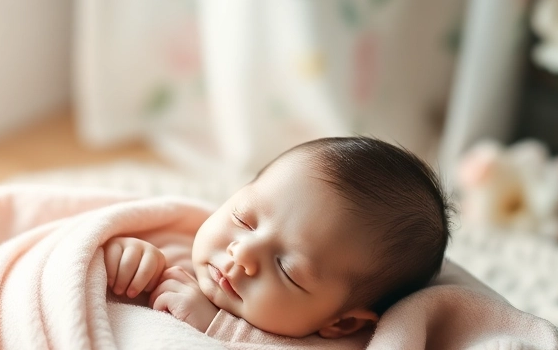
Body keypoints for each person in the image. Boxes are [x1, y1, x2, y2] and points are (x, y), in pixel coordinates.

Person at [104, 136, 451, 339]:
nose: (242, 253)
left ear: (342, 322)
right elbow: (71, 250)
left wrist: (216, 329)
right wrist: (123, 257)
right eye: (244, 218)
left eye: (287, 269)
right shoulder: (170, 239)